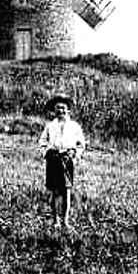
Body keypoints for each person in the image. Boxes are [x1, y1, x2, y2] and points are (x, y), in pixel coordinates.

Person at [38, 94, 86, 229]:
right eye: (58, 108)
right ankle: (55, 220)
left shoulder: (74, 126)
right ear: (54, 110)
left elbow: (81, 144)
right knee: (54, 191)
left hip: (67, 160)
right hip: (53, 160)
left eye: (63, 108)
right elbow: (42, 142)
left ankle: (65, 220)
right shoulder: (50, 126)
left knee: (66, 190)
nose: (61, 111)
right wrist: (47, 152)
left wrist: (74, 155)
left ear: (68, 110)